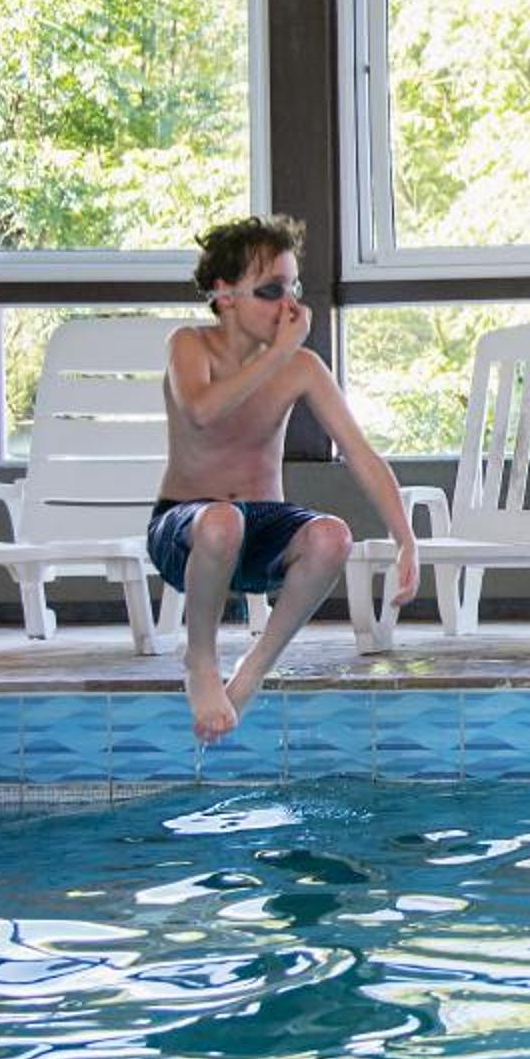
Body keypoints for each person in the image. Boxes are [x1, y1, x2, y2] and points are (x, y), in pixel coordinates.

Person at [150, 214, 414, 742]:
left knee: (332, 535)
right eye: (271, 291)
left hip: (263, 531)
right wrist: (278, 353)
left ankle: (254, 668)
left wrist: (406, 538)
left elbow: (361, 453)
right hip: (185, 530)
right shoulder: (190, 346)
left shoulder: (302, 367)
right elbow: (202, 411)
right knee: (221, 522)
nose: (289, 307)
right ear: (224, 295)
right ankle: (200, 661)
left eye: (293, 288)